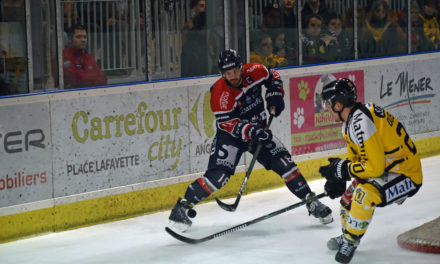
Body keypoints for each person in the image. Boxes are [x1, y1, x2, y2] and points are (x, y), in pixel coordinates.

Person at [168, 49, 333, 232]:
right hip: (231, 137)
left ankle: (311, 201)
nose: (233, 76)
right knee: (218, 177)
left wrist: (275, 93)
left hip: (259, 131)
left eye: (236, 71)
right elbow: (230, 124)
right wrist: (252, 131)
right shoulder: (219, 95)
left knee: (285, 164)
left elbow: (273, 76)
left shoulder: (255, 71)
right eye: (227, 73)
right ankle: (182, 208)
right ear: (222, 74)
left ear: (241, 67)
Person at [318, 78, 423, 263]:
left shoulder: (361, 122)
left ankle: (350, 241)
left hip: (406, 174)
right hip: (389, 169)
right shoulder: (352, 121)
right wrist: (339, 177)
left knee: (362, 196)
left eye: (328, 103)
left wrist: (344, 170)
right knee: (347, 200)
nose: (325, 108)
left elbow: (373, 168)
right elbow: (357, 160)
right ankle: (348, 235)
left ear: (339, 104)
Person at [62, 24, 107, 89]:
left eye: (85, 37)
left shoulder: (89, 57)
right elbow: (76, 80)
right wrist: (93, 77)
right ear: (69, 39)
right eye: (79, 37)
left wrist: (86, 78)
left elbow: (103, 78)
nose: (83, 40)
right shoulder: (64, 57)